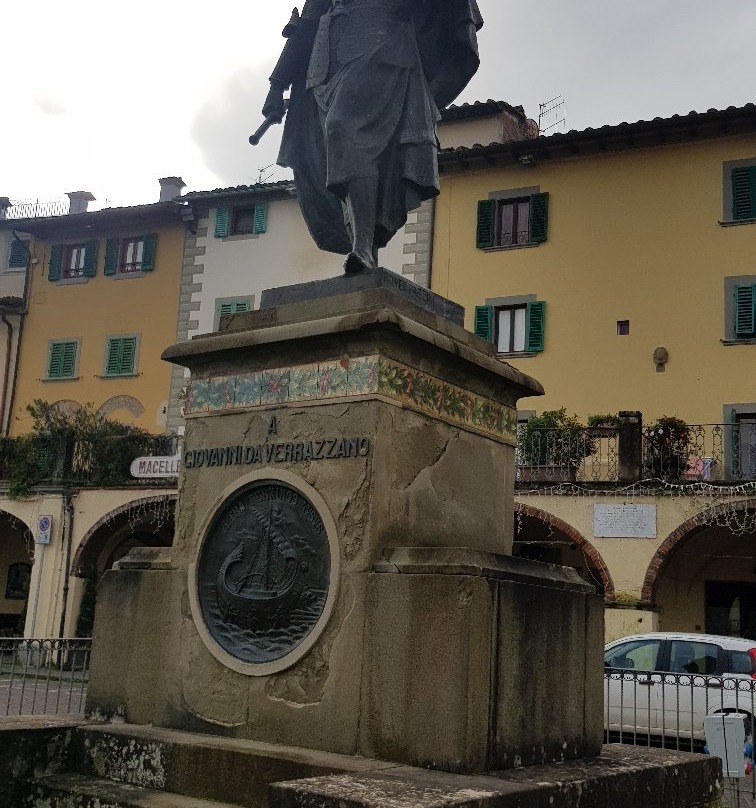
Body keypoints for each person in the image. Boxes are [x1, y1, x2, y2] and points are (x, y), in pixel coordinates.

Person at [262, 0, 483, 273]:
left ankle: (363, 248)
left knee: (342, 127)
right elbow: (308, 20)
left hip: (381, 38)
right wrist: (277, 84)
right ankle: (366, 251)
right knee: (335, 154)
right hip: (324, 60)